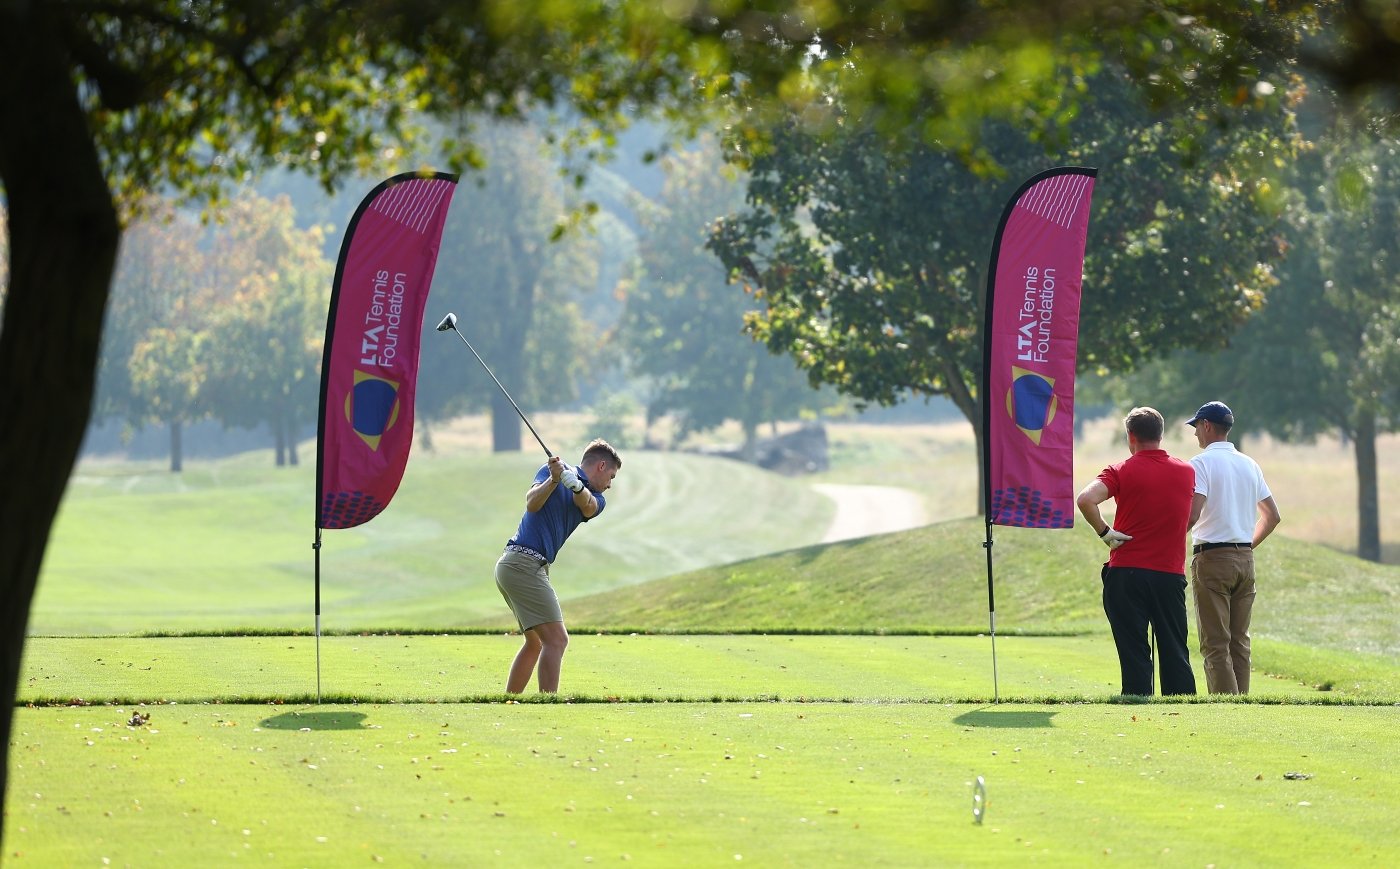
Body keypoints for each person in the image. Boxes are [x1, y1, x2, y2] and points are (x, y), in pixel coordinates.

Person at [1076, 406, 1198, 696]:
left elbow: (1085, 499)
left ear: (1130, 436)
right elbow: (1190, 516)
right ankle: (1182, 707)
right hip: (1168, 574)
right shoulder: (1186, 471)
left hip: (1127, 572)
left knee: (1133, 649)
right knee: (1174, 648)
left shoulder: (1119, 470)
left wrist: (1105, 533)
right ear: (1161, 434)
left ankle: (1137, 702)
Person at [494, 438, 621, 693]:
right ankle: (548, 703)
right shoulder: (550, 470)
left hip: (522, 567)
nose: (609, 484)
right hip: (522, 564)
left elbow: (587, 506)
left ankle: (509, 702)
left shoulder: (596, 497)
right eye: (611, 476)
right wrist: (554, 480)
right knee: (558, 640)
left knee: (535, 643)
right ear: (601, 465)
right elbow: (532, 503)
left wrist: (575, 487)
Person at [1185, 401, 1281, 694]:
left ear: (1208, 426)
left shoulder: (1200, 463)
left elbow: (1193, 514)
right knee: (1239, 641)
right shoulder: (1249, 463)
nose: (1195, 434)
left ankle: (1227, 707)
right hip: (1245, 559)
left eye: (1197, 427)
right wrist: (1245, 546)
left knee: (1215, 642)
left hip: (1212, 559)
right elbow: (1272, 516)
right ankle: (1243, 704)